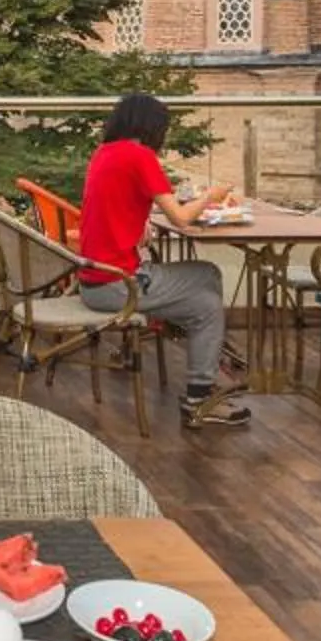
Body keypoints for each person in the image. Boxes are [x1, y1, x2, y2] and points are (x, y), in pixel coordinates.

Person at [76, 93, 249, 429]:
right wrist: (210, 197)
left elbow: (120, 203)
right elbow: (182, 218)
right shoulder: (140, 156)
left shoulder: (105, 153)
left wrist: (138, 222)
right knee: (207, 304)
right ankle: (200, 398)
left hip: (95, 278)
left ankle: (208, 364)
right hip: (116, 285)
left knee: (207, 273)